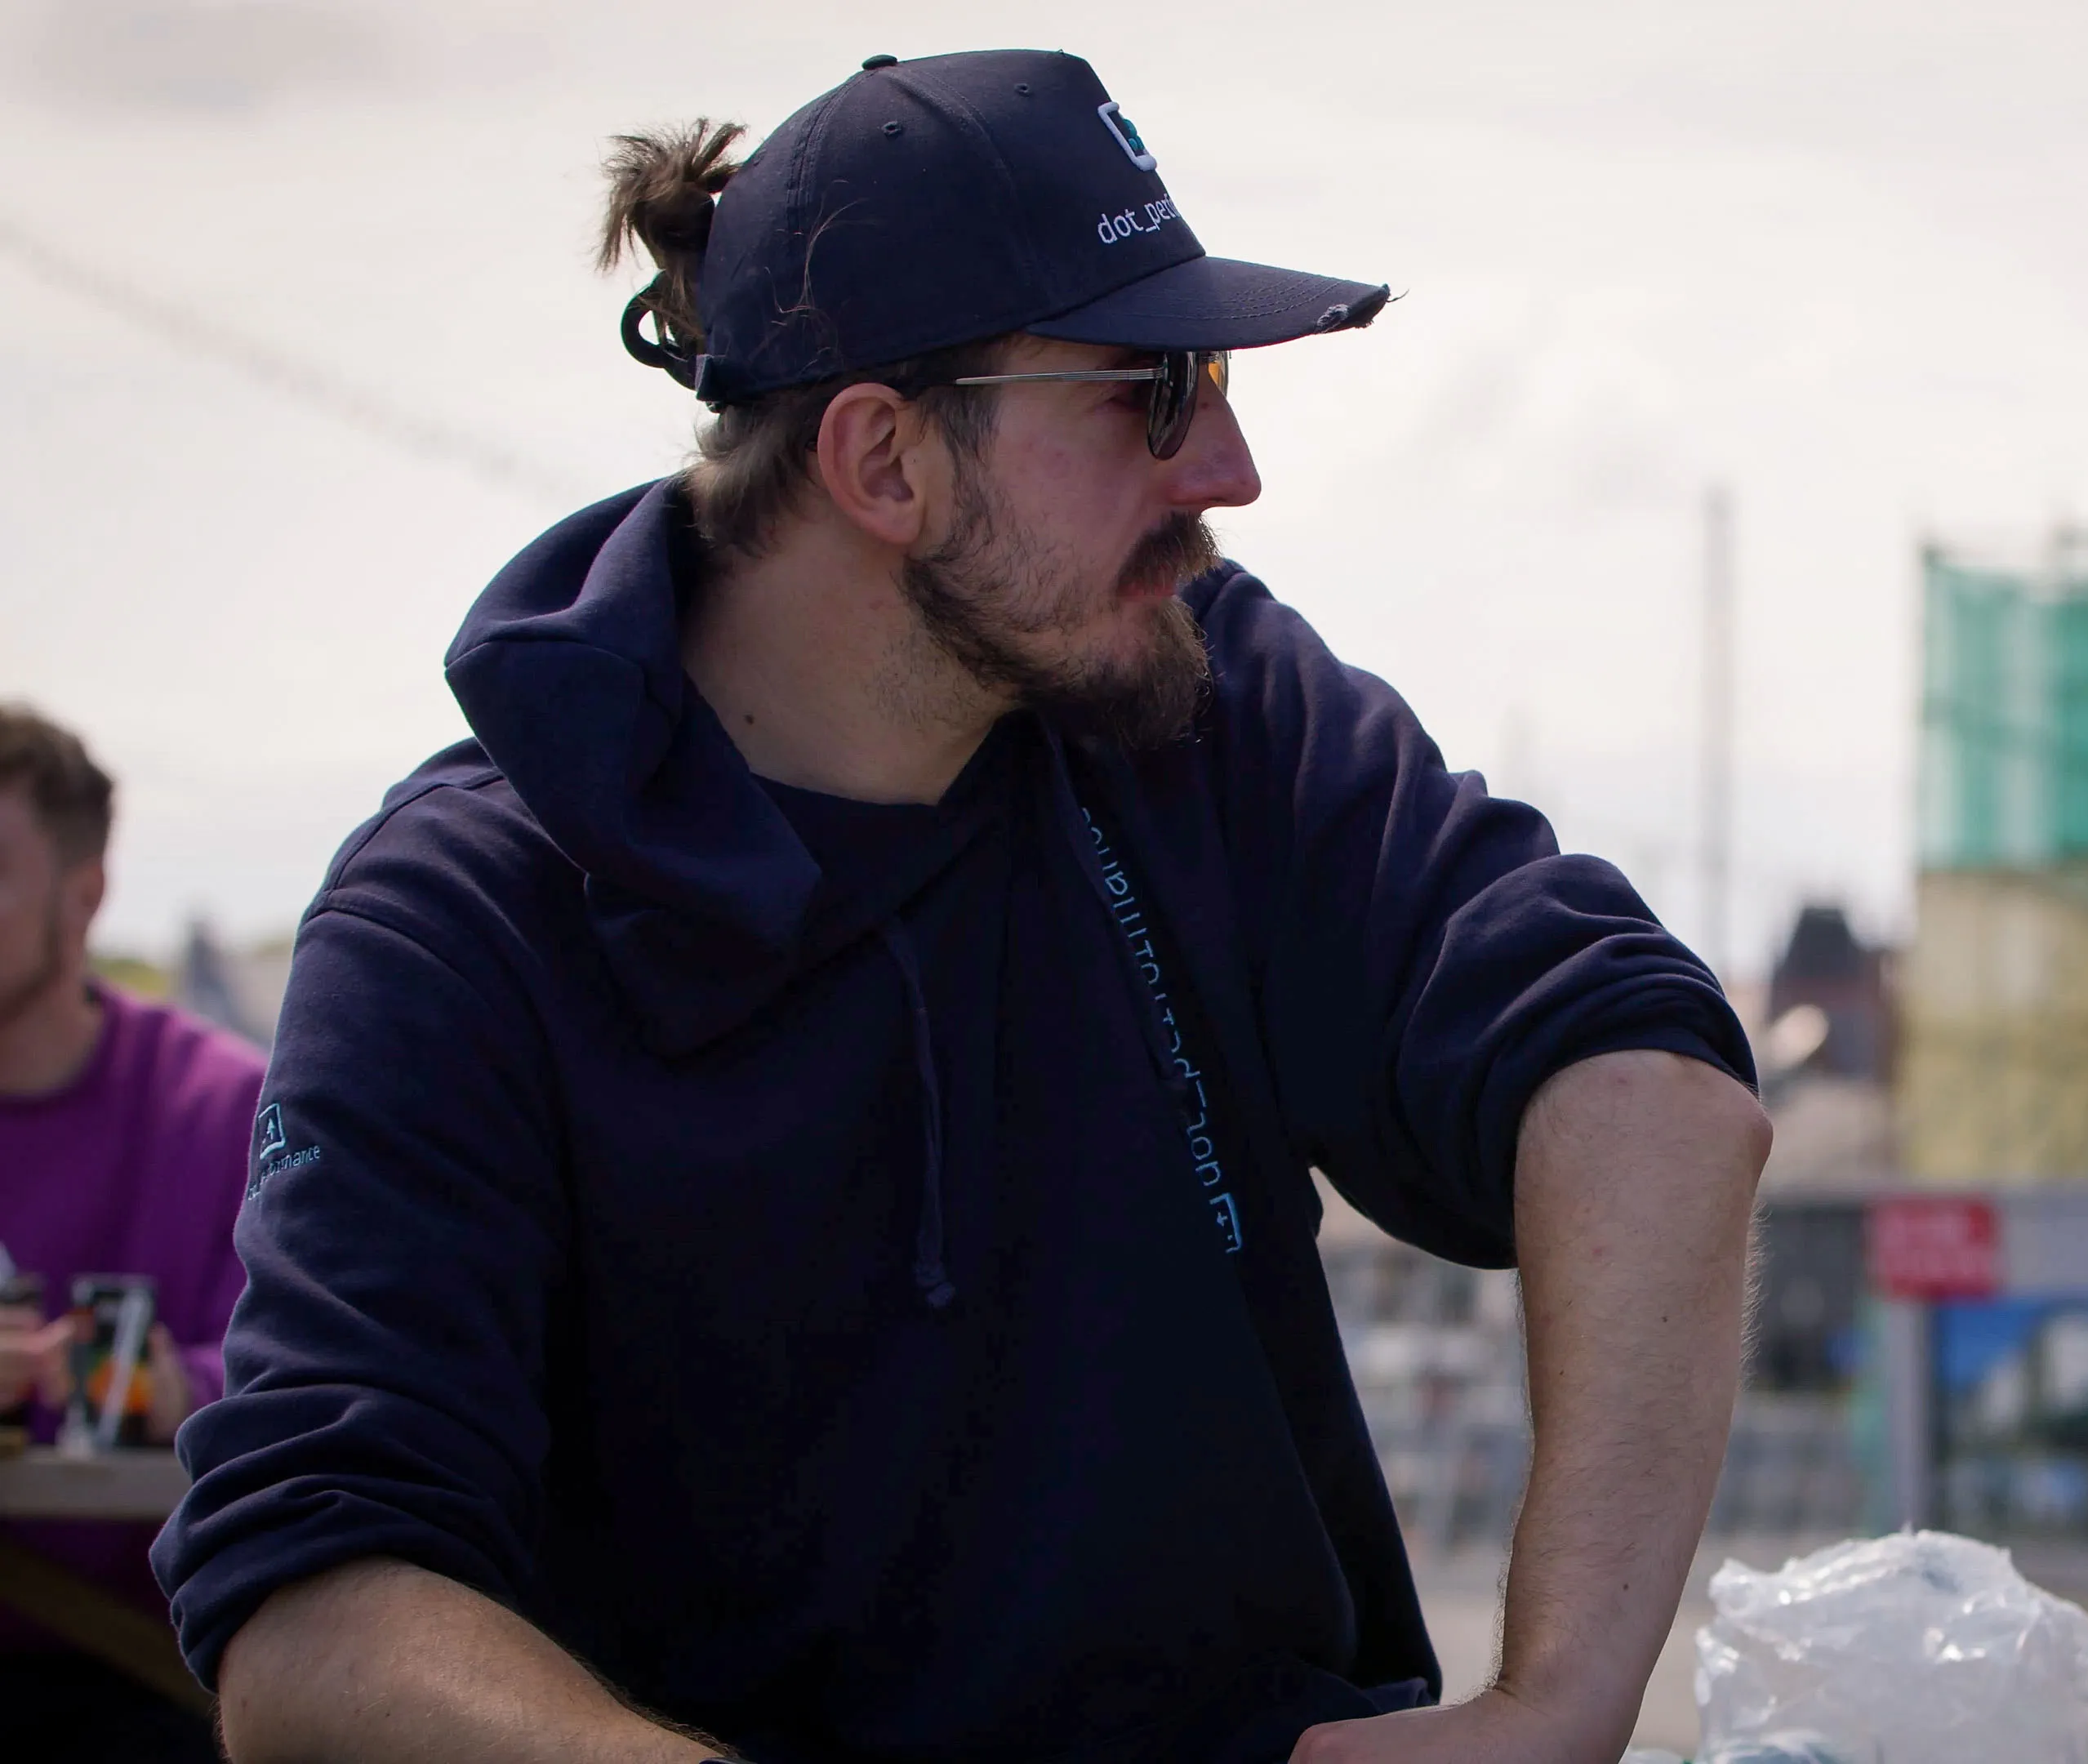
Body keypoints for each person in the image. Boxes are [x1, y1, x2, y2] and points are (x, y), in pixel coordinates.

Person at [154, 50, 1769, 1764]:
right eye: (1150, 392)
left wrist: (1559, 1707)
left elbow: (1652, 1092)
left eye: (1214, 380)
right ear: (883, 460)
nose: (1226, 469)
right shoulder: (457, 924)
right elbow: (315, 1612)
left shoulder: (1203, 713)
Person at [0, 703, 256, 1763]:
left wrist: (159, 1385)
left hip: (145, 1678)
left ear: (85, 896)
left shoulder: (223, 1106)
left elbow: (309, 1376)